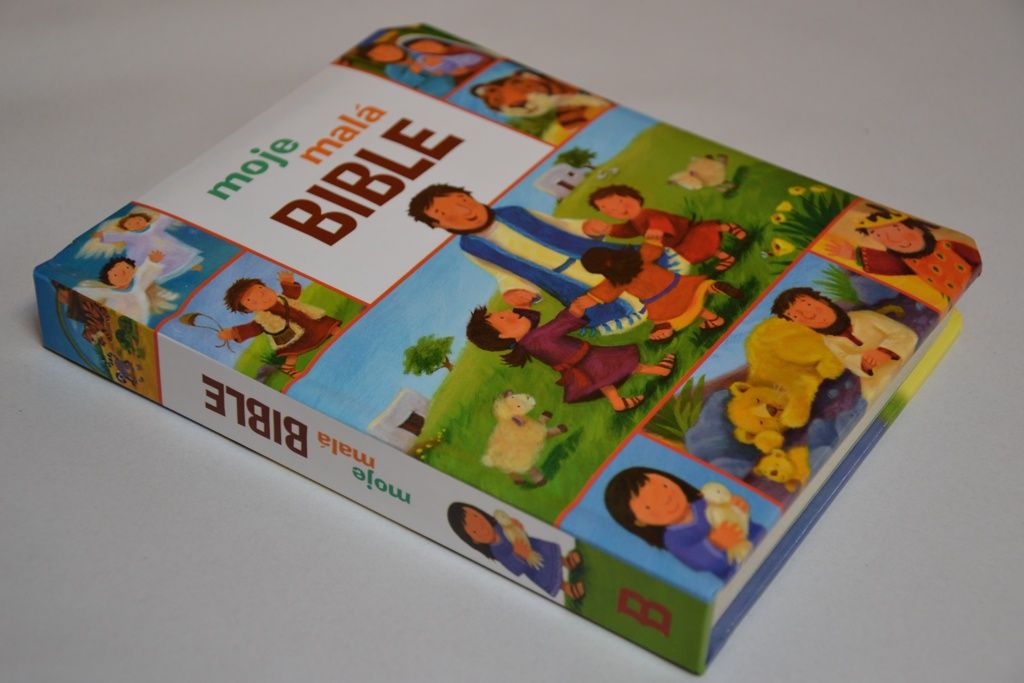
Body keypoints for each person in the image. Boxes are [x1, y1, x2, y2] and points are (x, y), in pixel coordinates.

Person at [409, 184, 689, 334]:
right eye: (444, 214)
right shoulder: (472, 246)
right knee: (601, 298)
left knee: (631, 271)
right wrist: (514, 289)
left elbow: (558, 225)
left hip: (587, 255)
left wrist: (584, 227)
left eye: (461, 200)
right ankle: (647, 315)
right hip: (561, 278)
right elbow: (502, 273)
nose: (463, 211)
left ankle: (669, 295)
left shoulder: (513, 212)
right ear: (438, 225)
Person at [465, 303, 675, 411]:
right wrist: (573, 312)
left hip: (578, 364)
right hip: (585, 357)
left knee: (602, 380)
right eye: (503, 318)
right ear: (503, 335)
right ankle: (660, 370)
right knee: (623, 364)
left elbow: (532, 319)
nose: (512, 313)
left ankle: (617, 402)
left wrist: (524, 307)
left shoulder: (527, 341)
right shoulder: (536, 337)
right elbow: (558, 326)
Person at [604, 468, 763, 580]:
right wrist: (714, 543)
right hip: (738, 570)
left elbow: (735, 513)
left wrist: (736, 506)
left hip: (759, 538)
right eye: (649, 505)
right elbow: (694, 560)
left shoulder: (705, 501)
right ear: (639, 521)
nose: (666, 499)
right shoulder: (673, 538)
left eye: (664, 486)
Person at [575, 237, 743, 342]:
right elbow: (654, 246)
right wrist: (653, 237)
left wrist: (586, 301)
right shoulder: (639, 258)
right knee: (697, 292)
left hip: (662, 306)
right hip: (681, 286)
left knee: (671, 318)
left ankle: (709, 320)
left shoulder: (615, 282)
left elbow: (600, 295)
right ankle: (713, 290)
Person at [771, 287, 918, 402]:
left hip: (910, 361)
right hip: (879, 385)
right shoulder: (829, 342)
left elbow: (904, 334)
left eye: (808, 305)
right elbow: (847, 359)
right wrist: (863, 362)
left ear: (823, 302)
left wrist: (885, 351)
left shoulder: (865, 317)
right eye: (796, 316)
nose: (809, 315)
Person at [824, 205, 980, 302]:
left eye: (897, 229)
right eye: (879, 236)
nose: (892, 239)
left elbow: (973, 257)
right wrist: (853, 254)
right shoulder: (909, 261)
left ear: (918, 228)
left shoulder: (947, 245)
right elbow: (889, 263)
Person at [583, 185, 747, 271]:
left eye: (620, 202)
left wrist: (655, 233)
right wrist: (609, 229)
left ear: (633, 197)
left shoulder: (648, 214)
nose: (619, 210)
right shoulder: (634, 222)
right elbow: (627, 231)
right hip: (678, 244)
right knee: (698, 251)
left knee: (705, 237)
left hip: (685, 233)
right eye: (610, 210)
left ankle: (728, 228)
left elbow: (659, 221)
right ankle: (726, 257)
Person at [447, 503, 585, 600]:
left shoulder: (499, 525)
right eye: (474, 530)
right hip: (532, 565)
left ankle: (566, 562)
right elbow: (514, 568)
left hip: (534, 545)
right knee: (547, 574)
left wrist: (515, 525)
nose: (481, 527)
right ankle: (567, 588)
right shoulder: (497, 551)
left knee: (549, 552)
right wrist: (518, 554)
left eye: (477, 517)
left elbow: (513, 527)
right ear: (474, 540)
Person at [218, 271, 342, 376]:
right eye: (252, 301)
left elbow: (292, 294)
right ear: (248, 310)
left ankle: (343, 336)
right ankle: (288, 368)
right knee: (294, 351)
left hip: (310, 321)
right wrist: (233, 333)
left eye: (261, 291)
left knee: (329, 327)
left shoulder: (283, 298)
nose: (262, 298)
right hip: (294, 335)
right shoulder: (262, 319)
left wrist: (287, 283)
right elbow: (252, 329)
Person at [78, 210, 203, 284]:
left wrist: (169, 213)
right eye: (130, 224)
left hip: (169, 249)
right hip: (148, 254)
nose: (135, 224)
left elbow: (164, 220)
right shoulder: (131, 236)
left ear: (146, 221)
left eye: (138, 221)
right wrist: (102, 235)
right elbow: (118, 236)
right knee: (159, 266)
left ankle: (192, 266)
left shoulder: (155, 228)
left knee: (179, 258)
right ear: (127, 228)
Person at [74, 251, 177, 325]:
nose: (123, 273)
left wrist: (152, 262)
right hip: (114, 321)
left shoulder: (138, 286)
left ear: (133, 270)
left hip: (138, 321)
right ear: (109, 282)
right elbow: (90, 292)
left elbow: (144, 274)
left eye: (126, 268)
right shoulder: (109, 292)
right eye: (116, 275)